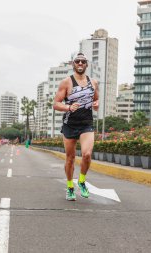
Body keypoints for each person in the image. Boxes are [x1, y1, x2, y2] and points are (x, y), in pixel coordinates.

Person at [53, 53, 99, 201]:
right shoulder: (66, 82)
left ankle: (81, 181)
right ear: (73, 64)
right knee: (70, 158)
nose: (80, 63)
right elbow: (56, 104)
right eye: (77, 61)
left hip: (86, 124)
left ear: (86, 65)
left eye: (83, 61)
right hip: (69, 124)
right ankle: (70, 187)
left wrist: (96, 104)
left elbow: (96, 100)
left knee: (86, 154)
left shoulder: (93, 82)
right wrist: (68, 107)